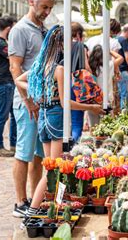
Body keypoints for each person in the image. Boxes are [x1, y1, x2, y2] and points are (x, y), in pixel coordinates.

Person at [15, 25, 104, 218]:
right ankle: (32, 211)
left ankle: (53, 206)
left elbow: (18, 80)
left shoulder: (40, 66)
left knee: (51, 166)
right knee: (52, 170)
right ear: (60, 45)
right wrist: (91, 108)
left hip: (44, 118)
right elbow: (65, 103)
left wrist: (35, 95)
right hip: (56, 117)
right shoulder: (59, 69)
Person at [8, 0, 57, 218]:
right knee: (23, 153)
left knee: (39, 155)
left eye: (50, 8)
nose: (47, 12)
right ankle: (20, 202)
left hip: (42, 103)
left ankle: (36, 198)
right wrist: (27, 100)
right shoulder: (20, 30)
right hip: (27, 103)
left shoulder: (42, 29)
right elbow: (14, 68)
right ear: (31, 1)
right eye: (44, 7)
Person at [0, 16, 18, 157]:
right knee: (3, 115)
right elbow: (15, 56)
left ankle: (14, 144)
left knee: (12, 115)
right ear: (8, 29)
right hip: (3, 82)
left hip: (6, 82)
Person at [86, 19, 123, 114]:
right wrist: (117, 73)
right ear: (114, 31)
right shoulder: (114, 42)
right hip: (107, 72)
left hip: (92, 72)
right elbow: (116, 61)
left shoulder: (91, 40)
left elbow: (87, 55)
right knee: (109, 102)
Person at [87, 44, 124, 127]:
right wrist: (109, 51)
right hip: (106, 98)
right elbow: (121, 58)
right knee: (108, 126)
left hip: (92, 100)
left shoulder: (89, 67)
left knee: (94, 127)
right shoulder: (108, 65)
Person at [71, 22, 89, 142]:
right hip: (76, 84)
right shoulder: (80, 46)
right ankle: (73, 145)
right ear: (78, 34)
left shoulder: (59, 45)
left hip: (59, 84)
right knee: (77, 121)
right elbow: (86, 67)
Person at [116, 24, 128, 109]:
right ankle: (125, 113)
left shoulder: (117, 39)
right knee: (125, 93)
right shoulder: (124, 40)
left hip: (118, 69)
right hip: (123, 70)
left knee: (121, 92)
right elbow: (127, 56)